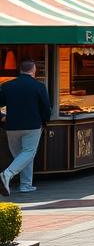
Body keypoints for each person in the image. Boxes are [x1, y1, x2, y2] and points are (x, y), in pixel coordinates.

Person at [0, 59, 51, 196]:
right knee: (28, 153)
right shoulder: (39, 86)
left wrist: (1, 117)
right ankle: (7, 174)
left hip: (11, 126)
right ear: (33, 70)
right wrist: (45, 121)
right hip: (32, 126)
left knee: (21, 156)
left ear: (20, 70)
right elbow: (46, 108)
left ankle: (26, 185)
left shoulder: (7, 86)